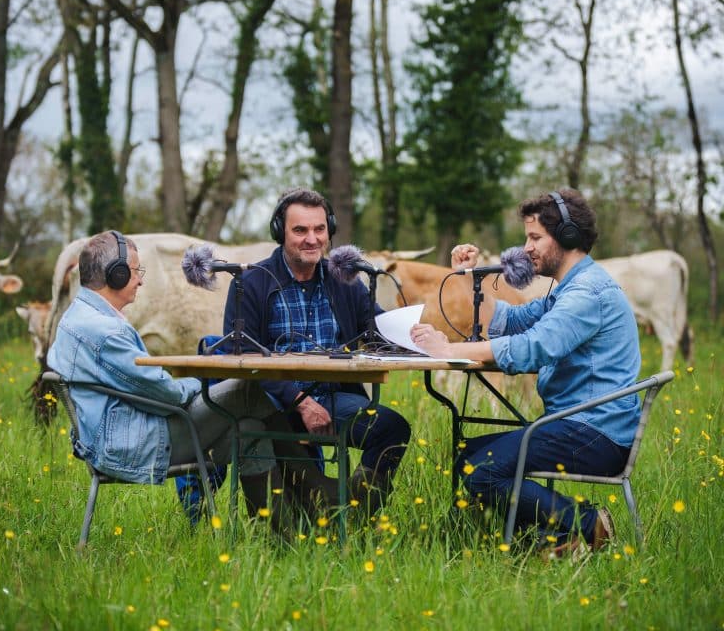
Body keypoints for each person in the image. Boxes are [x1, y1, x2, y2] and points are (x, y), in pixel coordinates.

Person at [411, 189, 641, 554]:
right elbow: (509, 322)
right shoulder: (566, 290)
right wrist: (470, 277)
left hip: (595, 434)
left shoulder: (587, 294)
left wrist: (448, 350)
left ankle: (586, 524)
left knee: (483, 470)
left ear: (567, 236)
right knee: (467, 455)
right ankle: (540, 539)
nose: (526, 247)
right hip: (573, 425)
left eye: (535, 237)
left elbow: (533, 347)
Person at [48, 231, 292, 530]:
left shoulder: (77, 316)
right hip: (133, 442)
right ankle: (321, 487)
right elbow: (167, 396)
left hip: (115, 434)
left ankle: (279, 536)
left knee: (251, 430)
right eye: (137, 271)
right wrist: (207, 384)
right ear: (116, 274)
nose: (140, 280)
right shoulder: (106, 332)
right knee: (248, 389)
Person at [223, 187, 411, 516]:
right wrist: (301, 403)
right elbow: (240, 356)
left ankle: (354, 510)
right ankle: (303, 516)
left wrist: (415, 332)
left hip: (335, 400)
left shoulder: (346, 280)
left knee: (392, 428)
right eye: (300, 230)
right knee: (296, 498)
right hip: (277, 404)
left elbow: (378, 330)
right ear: (280, 232)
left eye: (319, 229)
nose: (312, 239)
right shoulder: (250, 283)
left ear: (330, 231)